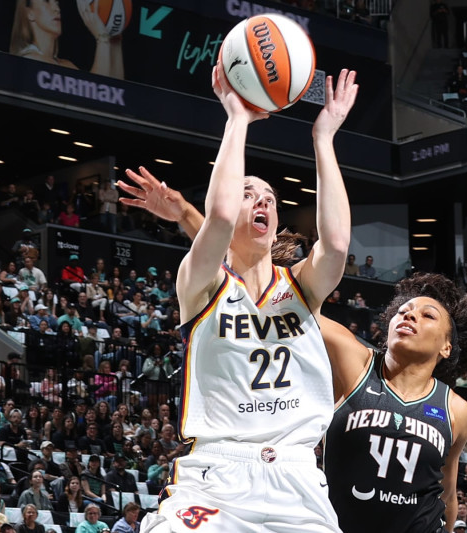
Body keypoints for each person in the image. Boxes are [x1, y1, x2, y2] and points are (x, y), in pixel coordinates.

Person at [119, 145, 467, 533]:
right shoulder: (354, 360)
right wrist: (190, 216)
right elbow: (242, 277)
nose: (409, 315)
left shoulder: (455, 410)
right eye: (404, 310)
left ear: (446, 346)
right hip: (306, 501)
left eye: (426, 314)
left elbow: (447, 492)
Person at [139, 65, 357, 533]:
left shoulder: (302, 287)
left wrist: (324, 138)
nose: (262, 201)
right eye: (248, 194)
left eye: (270, 198)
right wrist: (236, 118)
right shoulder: (201, 284)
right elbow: (216, 220)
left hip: (296, 476)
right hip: (217, 473)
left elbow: (336, 244)